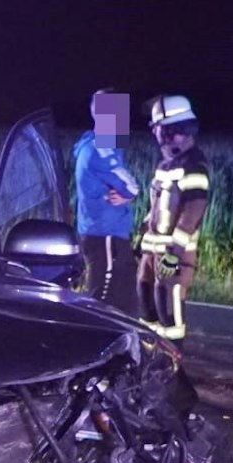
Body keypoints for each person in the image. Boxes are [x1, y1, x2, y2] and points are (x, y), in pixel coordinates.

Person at [135, 95, 209, 341]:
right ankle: (149, 359)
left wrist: (173, 254)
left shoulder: (194, 166)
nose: (157, 135)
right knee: (146, 301)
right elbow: (156, 206)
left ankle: (172, 366)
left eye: (159, 130)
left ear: (173, 131)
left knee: (167, 306)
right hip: (152, 250)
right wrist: (141, 237)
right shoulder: (166, 165)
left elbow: (192, 213)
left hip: (172, 253)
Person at [73, 89, 141, 315]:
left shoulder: (101, 143)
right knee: (101, 304)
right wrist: (131, 193)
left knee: (123, 304)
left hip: (106, 234)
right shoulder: (99, 149)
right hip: (105, 236)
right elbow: (129, 185)